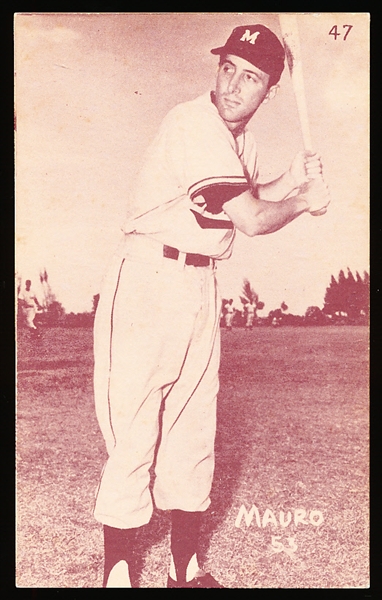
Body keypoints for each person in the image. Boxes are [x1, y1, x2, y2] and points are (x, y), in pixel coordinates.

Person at [93, 23, 330, 588]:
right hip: (149, 275)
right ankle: (118, 571)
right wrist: (302, 202)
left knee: (194, 426)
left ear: (269, 90)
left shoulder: (236, 141)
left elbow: (243, 197)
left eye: (250, 78)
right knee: (136, 428)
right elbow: (250, 219)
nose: (233, 85)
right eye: (228, 68)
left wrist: (291, 179)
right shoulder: (192, 123)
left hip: (200, 283)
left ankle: (186, 567)